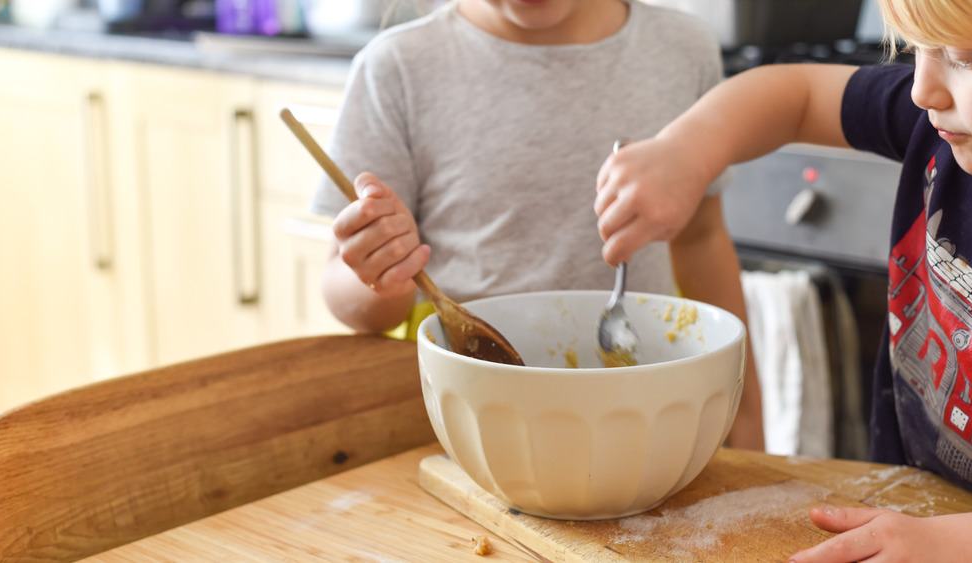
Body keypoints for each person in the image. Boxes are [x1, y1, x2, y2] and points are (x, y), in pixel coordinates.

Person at [594, 0, 972, 560]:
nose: (922, 89)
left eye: (966, 57)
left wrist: (949, 545)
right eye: (914, 49)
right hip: (911, 501)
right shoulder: (933, 124)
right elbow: (795, 95)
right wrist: (688, 148)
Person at [310, 0, 764, 451]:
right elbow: (343, 290)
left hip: (645, 420)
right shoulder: (396, 67)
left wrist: (743, 415)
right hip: (469, 431)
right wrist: (380, 276)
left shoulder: (683, 47)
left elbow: (702, 240)